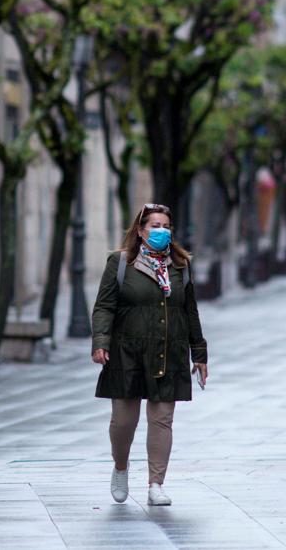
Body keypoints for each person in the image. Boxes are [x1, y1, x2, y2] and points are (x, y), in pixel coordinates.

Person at [91, 203, 208, 506]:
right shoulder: (120, 263)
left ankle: (156, 483)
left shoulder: (181, 265)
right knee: (123, 422)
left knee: (162, 420)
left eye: (165, 226)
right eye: (154, 226)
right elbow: (105, 305)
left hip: (168, 351)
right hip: (127, 352)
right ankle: (120, 467)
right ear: (140, 230)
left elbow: (189, 310)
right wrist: (101, 341)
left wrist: (200, 353)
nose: (161, 231)